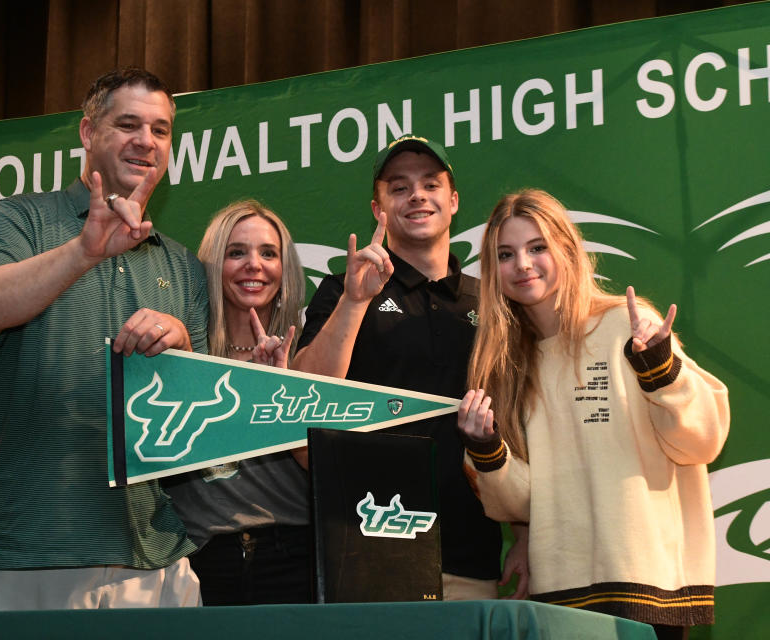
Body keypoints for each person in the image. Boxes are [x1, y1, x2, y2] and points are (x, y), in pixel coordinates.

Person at [0, 68, 209, 610]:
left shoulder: (183, 264)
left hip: (153, 551)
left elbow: (204, 425)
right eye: (129, 124)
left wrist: (184, 343)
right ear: (88, 134)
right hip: (26, 546)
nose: (147, 141)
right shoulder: (22, 217)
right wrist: (84, 252)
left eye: (161, 130)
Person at [456, 189, 730, 639]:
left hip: (649, 587)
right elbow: (521, 503)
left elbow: (702, 440)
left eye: (537, 247)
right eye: (506, 254)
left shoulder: (628, 325)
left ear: (566, 248)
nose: (523, 264)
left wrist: (662, 369)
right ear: (492, 271)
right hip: (561, 596)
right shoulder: (504, 367)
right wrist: (487, 451)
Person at [292, 134, 526, 600]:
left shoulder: (492, 301)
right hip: (365, 552)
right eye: (399, 187)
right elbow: (304, 396)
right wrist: (356, 303)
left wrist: (524, 532)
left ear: (453, 200)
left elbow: (519, 421)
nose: (416, 195)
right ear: (378, 209)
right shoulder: (345, 289)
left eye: (430, 184)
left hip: (471, 557)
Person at [161, 200, 312, 605]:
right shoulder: (178, 354)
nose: (254, 265)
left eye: (268, 253)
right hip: (201, 562)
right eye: (236, 252)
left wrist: (277, 389)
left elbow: (330, 462)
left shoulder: (306, 352)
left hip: (293, 556)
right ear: (213, 264)